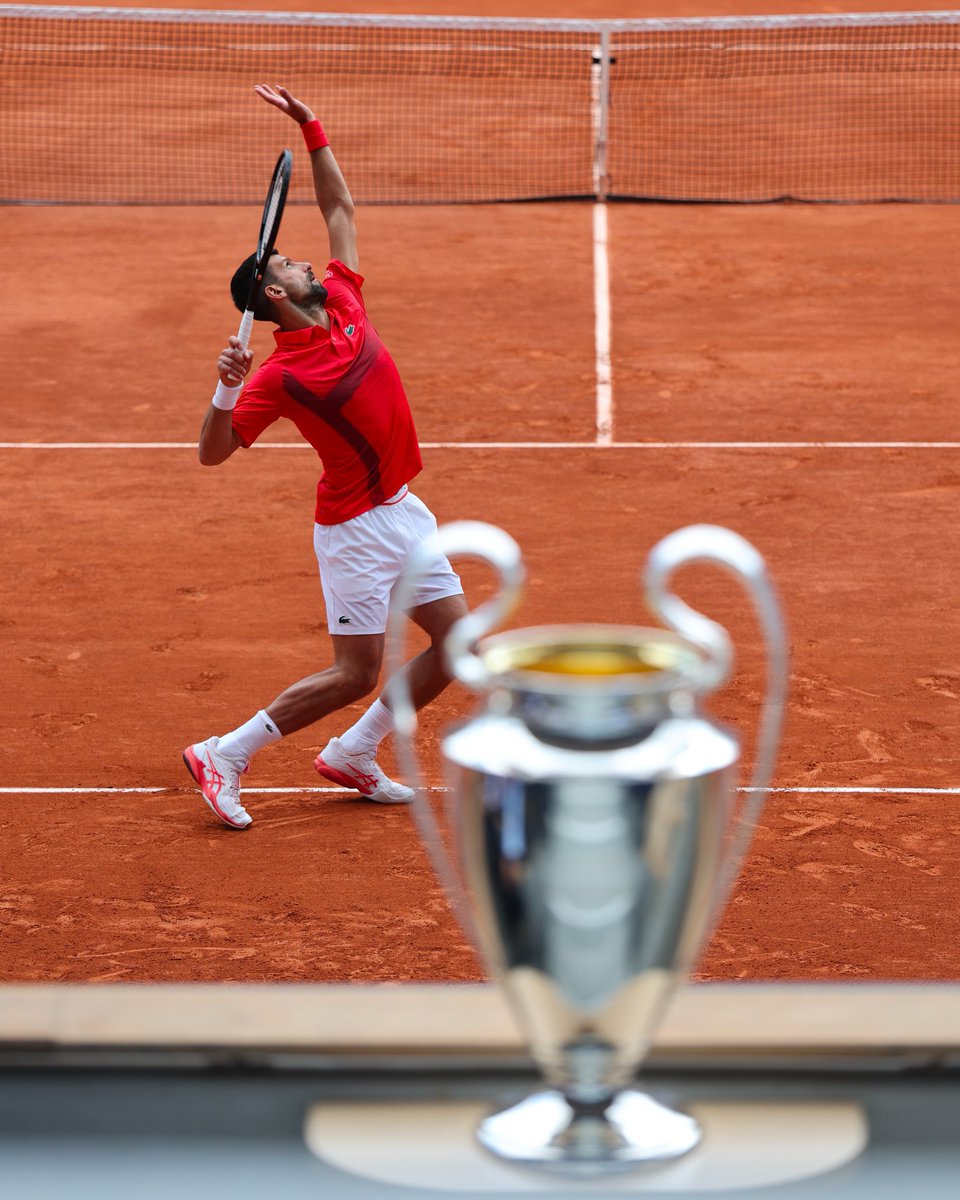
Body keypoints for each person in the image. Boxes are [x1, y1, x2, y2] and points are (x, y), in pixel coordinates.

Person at [182, 84, 468, 829]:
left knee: (457, 644)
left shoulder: (342, 298)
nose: (305, 259)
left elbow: (341, 209)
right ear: (275, 293)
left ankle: (353, 753)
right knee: (355, 672)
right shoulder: (279, 375)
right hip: (355, 529)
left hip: (402, 509)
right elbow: (213, 454)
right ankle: (224, 753)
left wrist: (313, 128)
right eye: (288, 261)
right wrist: (226, 389)